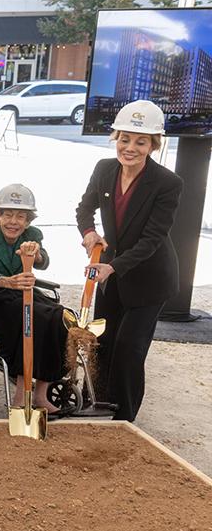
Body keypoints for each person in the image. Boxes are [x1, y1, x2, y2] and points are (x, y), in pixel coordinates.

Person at [75, 100, 181, 423]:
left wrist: (113, 266)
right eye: (124, 139)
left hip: (150, 279)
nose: (130, 148)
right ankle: (97, 404)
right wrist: (89, 233)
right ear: (115, 138)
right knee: (103, 343)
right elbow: (84, 208)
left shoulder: (167, 183)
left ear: (153, 145)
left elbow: (152, 239)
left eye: (140, 141)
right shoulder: (104, 169)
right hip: (112, 275)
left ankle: (123, 418)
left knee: (129, 349)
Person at [0, 184, 66, 415]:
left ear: (27, 222)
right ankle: (20, 395)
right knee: (31, 316)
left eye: (20, 217)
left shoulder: (32, 235)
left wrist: (36, 255)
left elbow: (43, 260)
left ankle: (41, 393)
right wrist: (6, 281)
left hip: (19, 292)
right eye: (7, 215)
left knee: (58, 315)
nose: (13, 222)